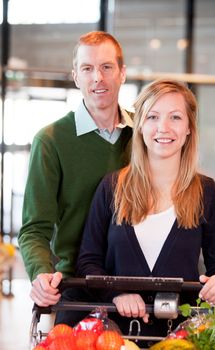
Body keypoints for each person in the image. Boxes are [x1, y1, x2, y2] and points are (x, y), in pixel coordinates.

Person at [64, 79, 215, 341]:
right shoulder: (112, 187)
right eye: (153, 117)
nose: (163, 128)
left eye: (175, 117)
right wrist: (116, 293)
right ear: (140, 125)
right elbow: (88, 261)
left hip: (180, 341)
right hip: (114, 339)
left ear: (189, 128)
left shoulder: (207, 193)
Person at [18, 31, 133, 307]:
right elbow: (34, 229)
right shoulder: (51, 141)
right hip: (77, 286)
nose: (97, 78)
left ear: (122, 73)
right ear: (76, 76)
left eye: (107, 67)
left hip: (138, 284)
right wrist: (42, 273)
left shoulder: (144, 134)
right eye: (87, 68)